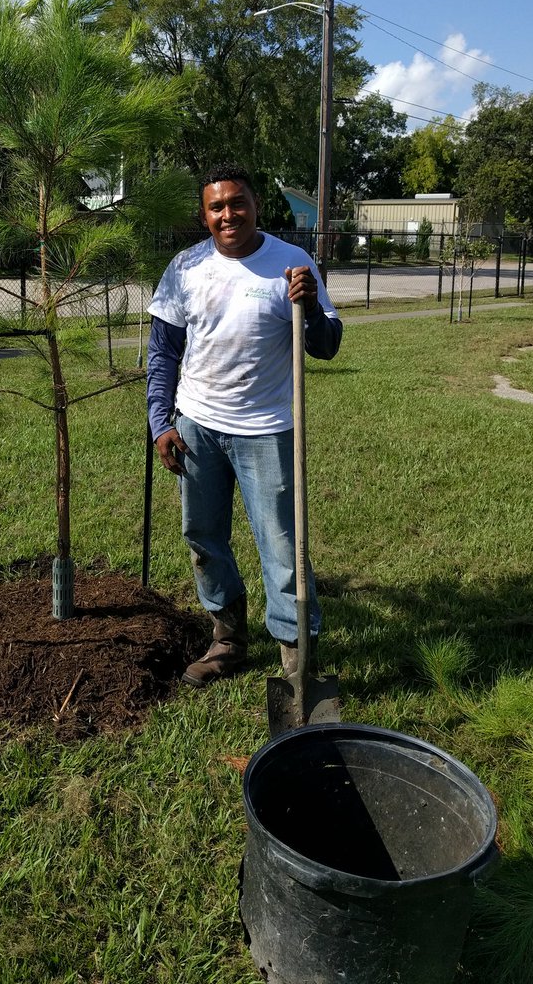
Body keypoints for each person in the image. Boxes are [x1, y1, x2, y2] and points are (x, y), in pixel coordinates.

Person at [147, 163, 343, 687]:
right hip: (197, 428)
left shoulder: (292, 263)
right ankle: (228, 640)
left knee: (284, 547)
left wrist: (310, 308)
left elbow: (325, 346)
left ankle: (296, 656)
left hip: (268, 430)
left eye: (238, 203)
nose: (228, 214)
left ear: (256, 206)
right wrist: (160, 422)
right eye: (217, 207)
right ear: (205, 215)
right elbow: (163, 353)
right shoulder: (185, 268)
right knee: (204, 537)